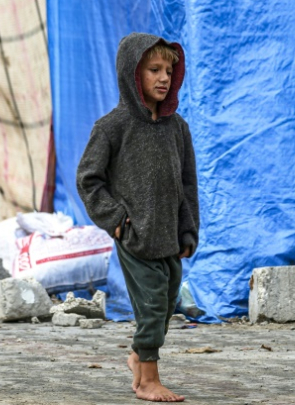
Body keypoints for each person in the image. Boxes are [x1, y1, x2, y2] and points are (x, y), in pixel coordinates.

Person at [77, 32, 199, 402]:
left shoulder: (177, 128)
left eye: (168, 70)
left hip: (169, 236)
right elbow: (89, 179)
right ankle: (147, 380)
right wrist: (117, 220)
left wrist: (188, 229)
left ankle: (137, 356)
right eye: (153, 69)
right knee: (149, 306)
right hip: (136, 234)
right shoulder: (112, 127)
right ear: (133, 74)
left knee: (164, 305)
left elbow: (187, 182)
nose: (163, 77)